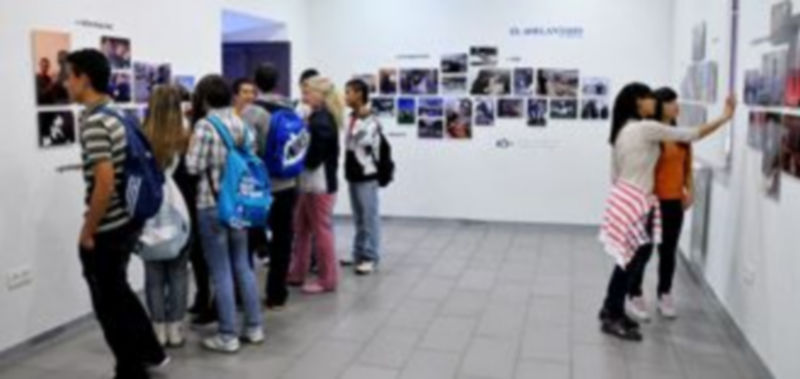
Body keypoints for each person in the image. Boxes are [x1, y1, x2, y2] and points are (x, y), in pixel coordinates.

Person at [598, 82, 735, 342]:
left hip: (624, 198)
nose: (654, 102)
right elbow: (692, 134)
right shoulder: (645, 128)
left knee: (627, 260)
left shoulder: (622, 131)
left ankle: (610, 308)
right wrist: (725, 117)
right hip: (638, 201)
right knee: (630, 261)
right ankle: (612, 314)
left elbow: (614, 174)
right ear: (639, 102)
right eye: (649, 98)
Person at [65, 49, 167, 379]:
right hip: (130, 219)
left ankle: (130, 369)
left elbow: (105, 184)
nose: (67, 83)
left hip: (108, 226)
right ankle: (151, 351)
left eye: (70, 76)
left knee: (108, 304)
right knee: (119, 290)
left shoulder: (95, 122)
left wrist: (87, 231)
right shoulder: (118, 114)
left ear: (84, 78)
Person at [185, 74, 264, 353]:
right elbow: (252, 157)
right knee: (243, 263)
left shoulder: (205, 126)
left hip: (212, 204)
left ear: (204, 98)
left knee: (220, 269)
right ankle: (254, 327)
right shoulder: (241, 123)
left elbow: (193, 167)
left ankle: (228, 334)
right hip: (240, 203)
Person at [624, 88, 692, 321]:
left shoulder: (680, 135)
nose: (676, 106)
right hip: (652, 201)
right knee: (644, 251)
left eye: (677, 101)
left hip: (674, 202)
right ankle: (634, 293)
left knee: (669, 252)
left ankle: (665, 293)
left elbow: (687, 166)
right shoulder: (651, 134)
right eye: (671, 102)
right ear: (660, 105)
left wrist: (689, 189)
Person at [241, 63, 299, 309]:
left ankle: (243, 293)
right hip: (287, 183)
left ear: (255, 83)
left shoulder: (251, 112)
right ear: (277, 81)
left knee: (248, 240)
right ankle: (277, 293)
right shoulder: (292, 108)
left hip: (258, 186)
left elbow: (246, 149)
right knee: (283, 239)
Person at [141, 85, 191, 347]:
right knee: (179, 272)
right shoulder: (184, 136)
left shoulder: (141, 135)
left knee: (153, 273)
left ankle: (157, 329)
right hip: (179, 211)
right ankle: (175, 328)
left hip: (149, 211)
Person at [287, 76, 343, 293]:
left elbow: (313, 158)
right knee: (300, 228)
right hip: (309, 183)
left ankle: (328, 279)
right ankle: (297, 272)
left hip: (318, 185)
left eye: (308, 92)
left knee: (321, 231)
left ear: (320, 95)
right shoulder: (317, 118)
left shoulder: (321, 121)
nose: (303, 96)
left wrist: (294, 157)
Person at [343, 79, 382, 275]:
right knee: (359, 217)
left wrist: (361, 120)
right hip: (352, 173)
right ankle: (358, 253)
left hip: (366, 174)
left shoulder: (371, 117)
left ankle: (371, 256)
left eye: (348, 92)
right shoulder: (351, 116)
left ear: (359, 94)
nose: (345, 96)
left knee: (369, 217)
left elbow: (365, 141)